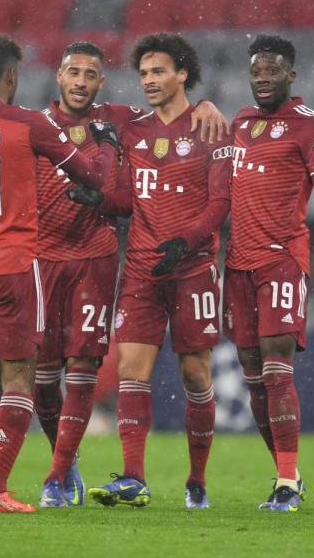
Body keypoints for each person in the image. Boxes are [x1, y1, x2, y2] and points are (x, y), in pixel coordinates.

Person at [30, 41, 228, 508]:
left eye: (159, 71)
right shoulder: (131, 127)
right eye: (143, 73)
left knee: (196, 376)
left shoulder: (209, 128)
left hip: (193, 269)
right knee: (132, 374)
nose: (149, 80)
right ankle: (134, 477)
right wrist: (100, 201)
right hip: (141, 268)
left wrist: (187, 239)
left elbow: (220, 203)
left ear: (183, 74)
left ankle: (196, 479)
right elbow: (125, 201)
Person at [0, 32, 118, 514]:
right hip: (14, 263)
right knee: (22, 374)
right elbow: (94, 179)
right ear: (12, 75)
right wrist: (106, 150)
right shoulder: (29, 123)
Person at [223, 35, 314, 511]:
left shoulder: (313, 127)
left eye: (272, 70)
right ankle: (286, 474)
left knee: (276, 367)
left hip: (282, 259)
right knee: (253, 376)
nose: (263, 78)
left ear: (291, 75)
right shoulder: (240, 123)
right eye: (256, 71)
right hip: (237, 264)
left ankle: (287, 481)